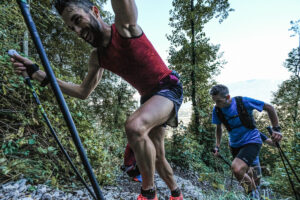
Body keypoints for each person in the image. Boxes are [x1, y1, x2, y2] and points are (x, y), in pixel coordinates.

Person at [10, 0, 184, 199]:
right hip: (149, 99)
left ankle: (148, 193)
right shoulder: (98, 57)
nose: (76, 30)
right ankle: (176, 194)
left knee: (135, 126)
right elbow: (83, 92)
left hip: (168, 87)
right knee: (158, 156)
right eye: (71, 27)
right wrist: (36, 73)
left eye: (77, 20)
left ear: (95, 11)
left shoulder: (124, 29)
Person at [210, 84, 282, 199]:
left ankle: (253, 196)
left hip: (252, 140)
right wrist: (217, 146)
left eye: (219, 101)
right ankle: (253, 193)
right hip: (235, 145)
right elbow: (218, 128)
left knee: (237, 169)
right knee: (249, 175)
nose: (216, 104)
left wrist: (276, 129)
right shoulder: (217, 110)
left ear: (228, 97)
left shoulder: (242, 102)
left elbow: (269, 107)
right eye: (215, 101)